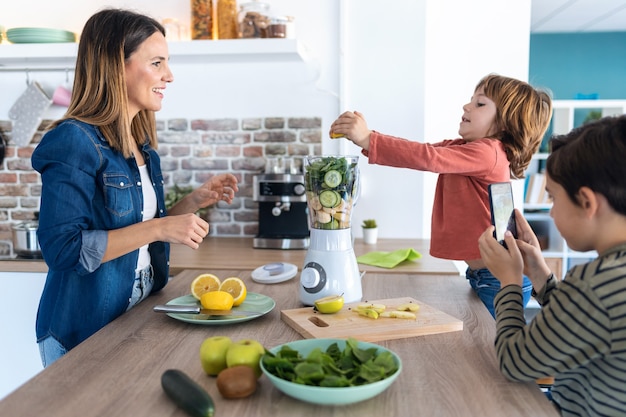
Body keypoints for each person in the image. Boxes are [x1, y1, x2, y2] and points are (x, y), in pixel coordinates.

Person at [32, 8, 239, 367]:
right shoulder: (73, 141)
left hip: (135, 309)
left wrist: (191, 202)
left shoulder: (141, 146)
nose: (169, 76)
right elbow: (63, 250)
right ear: (117, 65)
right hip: (85, 328)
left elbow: (139, 230)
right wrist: (159, 226)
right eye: (157, 63)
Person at [329, 74, 552, 317]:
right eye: (470, 100)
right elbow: (422, 151)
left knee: (492, 348)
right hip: (488, 276)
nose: (467, 106)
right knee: (487, 345)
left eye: (480, 103)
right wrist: (370, 137)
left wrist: (369, 139)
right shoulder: (467, 148)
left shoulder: (488, 152)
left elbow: (428, 158)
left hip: (498, 280)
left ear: (505, 124)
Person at [478, 115, 626, 416]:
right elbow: (585, 320)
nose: (552, 212)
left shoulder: (594, 283)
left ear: (587, 202)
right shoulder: (609, 279)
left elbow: (516, 362)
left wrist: (510, 283)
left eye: (553, 198)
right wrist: (541, 276)